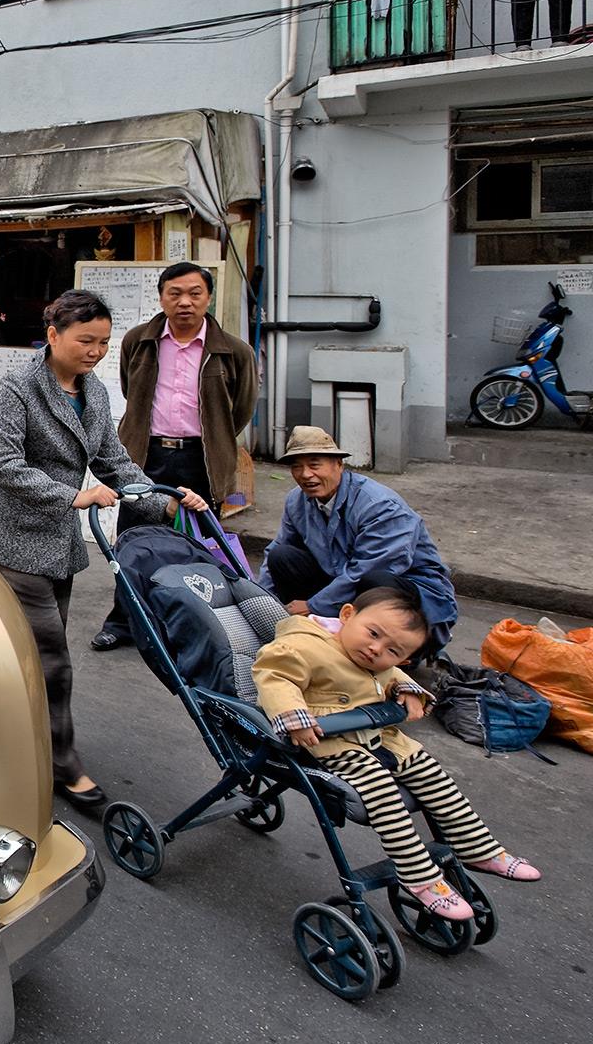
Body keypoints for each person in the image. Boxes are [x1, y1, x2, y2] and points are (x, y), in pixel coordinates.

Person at [0, 290, 209, 815]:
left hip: (57, 545)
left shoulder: (94, 393)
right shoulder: (18, 387)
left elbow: (112, 459)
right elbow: (3, 465)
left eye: (102, 342)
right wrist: (74, 495)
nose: (95, 351)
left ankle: (20, 742)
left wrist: (163, 498)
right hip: (9, 539)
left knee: (29, 657)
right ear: (53, 336)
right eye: (85, 341)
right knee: (51, 659)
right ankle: (62, 764)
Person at [253, 585, 540, 921]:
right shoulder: (303, 645)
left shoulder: (373, 654)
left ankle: (479, 848)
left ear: (404, 657)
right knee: (382, 791)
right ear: (347, 616)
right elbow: (274, 677)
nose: (376, 650)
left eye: (393, 650)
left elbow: (388, 674)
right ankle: (420, 877)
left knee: (431, 772)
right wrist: (293, 716)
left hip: (377, 735)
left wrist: (408, 688)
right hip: (328, 739)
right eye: (372, 634)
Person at [92, 261, 258, 651]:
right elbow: (132, 391)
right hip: (146, 457)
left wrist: (212, 438)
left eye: (194, 293)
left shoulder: (234, 351)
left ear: (209, 298)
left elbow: (241, 409)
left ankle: (188, 629)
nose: (185, 302)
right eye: (175, 294)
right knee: (132, 542)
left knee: (196, 546)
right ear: (162, 297)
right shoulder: (139, 341)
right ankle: (125, 622)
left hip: (201, 459)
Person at [259, 426, 457, 656]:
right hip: (344, 588)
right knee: (281, 556)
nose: (305, 474)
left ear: (338, 465)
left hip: (411, 593)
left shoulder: (378, 505)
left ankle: (402, 654)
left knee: (376, 579)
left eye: (314, 465)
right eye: (296, 466)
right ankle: (316, 633)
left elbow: (372, 567)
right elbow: (276, 547)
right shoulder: (297, 500)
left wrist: (313, 605)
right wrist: (261, 600)